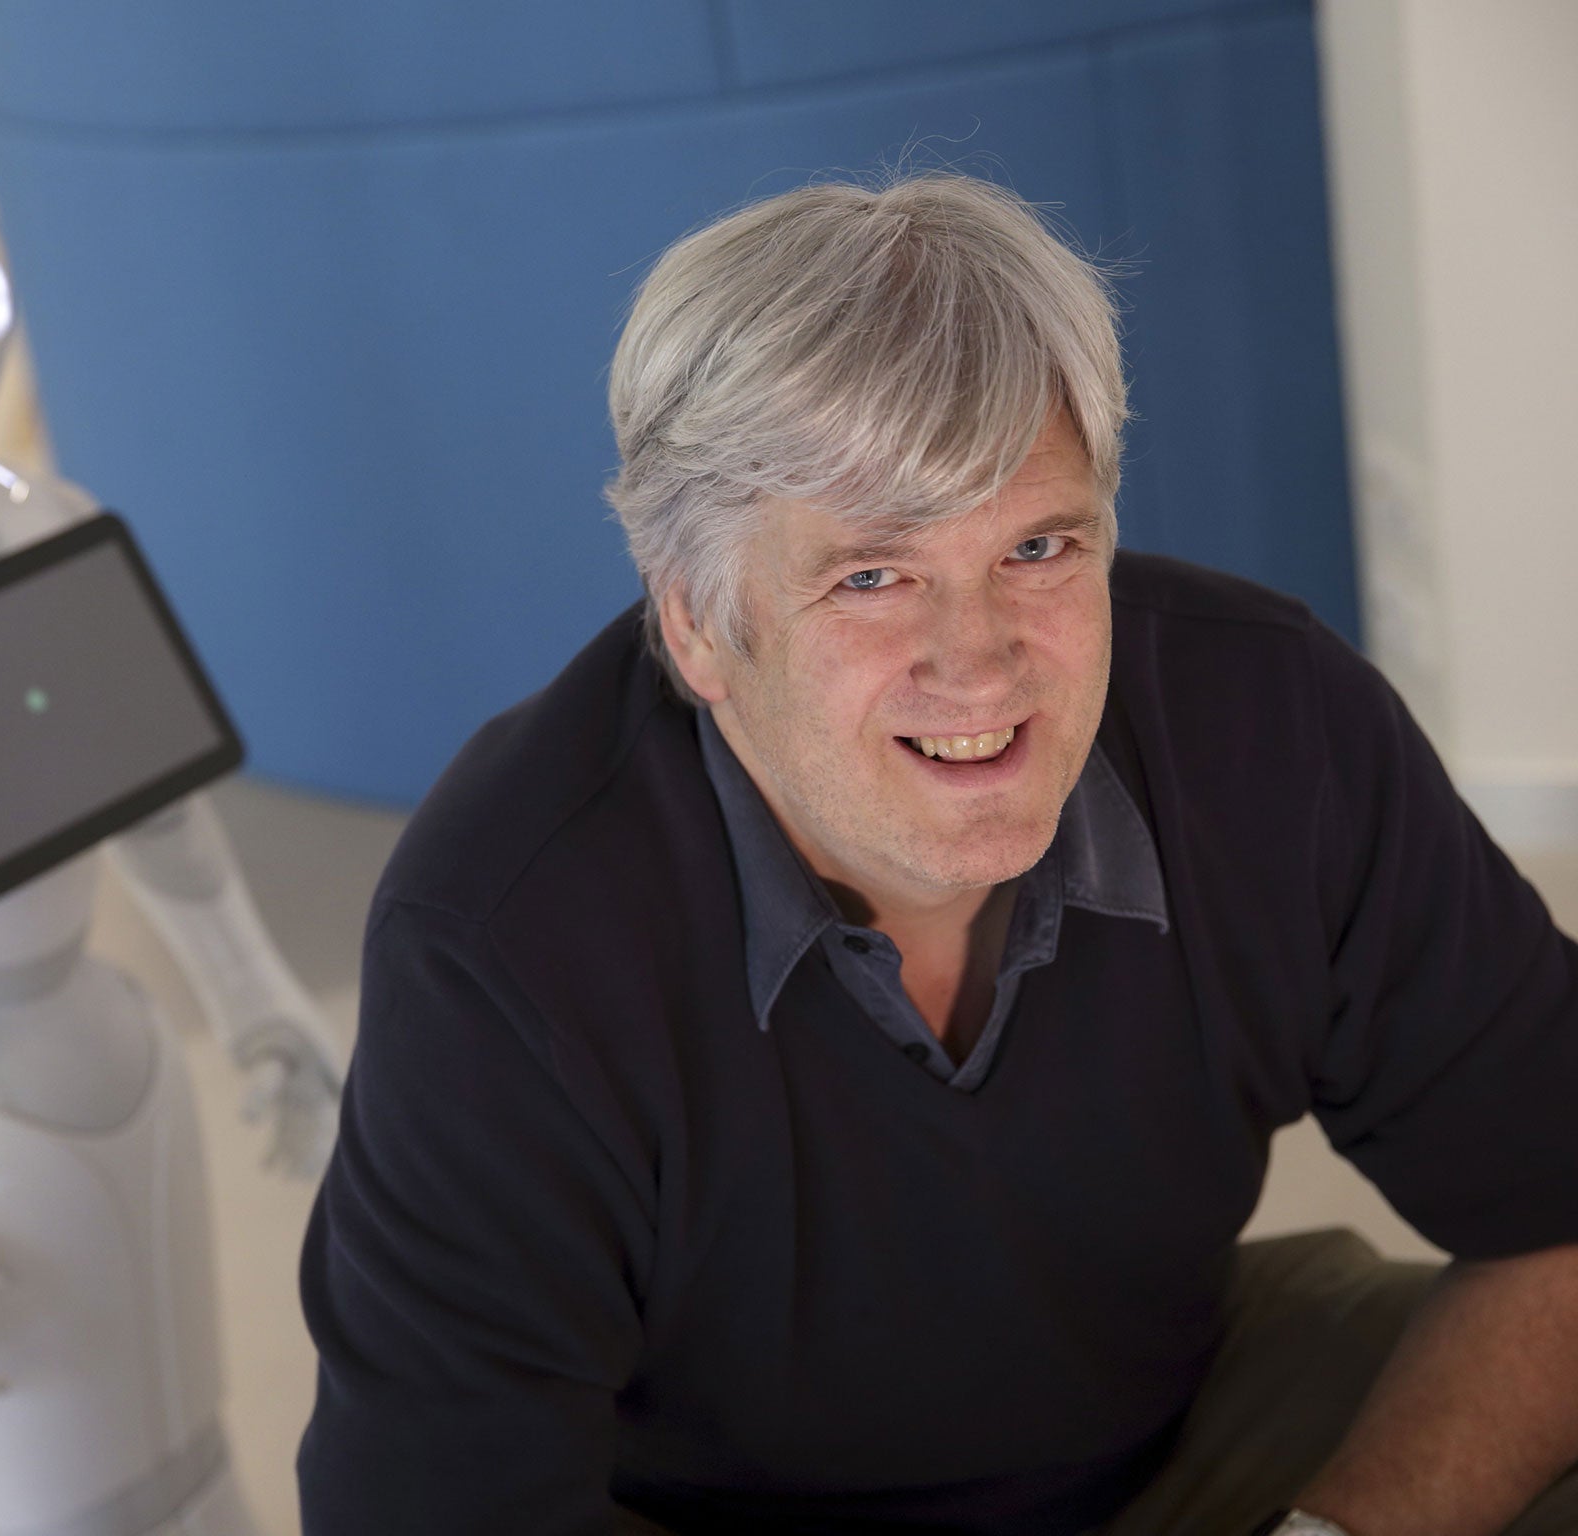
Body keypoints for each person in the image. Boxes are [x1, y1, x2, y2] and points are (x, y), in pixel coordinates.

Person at [296, 173, 1578, 1536]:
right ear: (697, 626)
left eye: (1036, 546)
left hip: (1179, 1422)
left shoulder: (1273, 725)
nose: (979, 661)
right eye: (871, 574)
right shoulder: (502, 936)